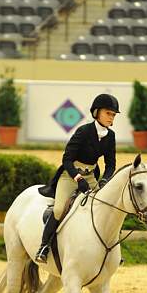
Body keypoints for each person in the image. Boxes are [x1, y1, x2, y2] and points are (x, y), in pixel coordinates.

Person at [35, 93, 120, 264]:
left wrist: (104, 180)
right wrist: (77, 177)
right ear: (96, 112)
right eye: (108, 113)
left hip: (91, 177)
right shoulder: (83, 131)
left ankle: (109, 251)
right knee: (59, 209)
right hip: (70, 174)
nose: (111, 118)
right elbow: (66, 159)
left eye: (113, 115)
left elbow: (110, 164)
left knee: (105, 208)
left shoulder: (110, 136)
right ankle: (44, 247)